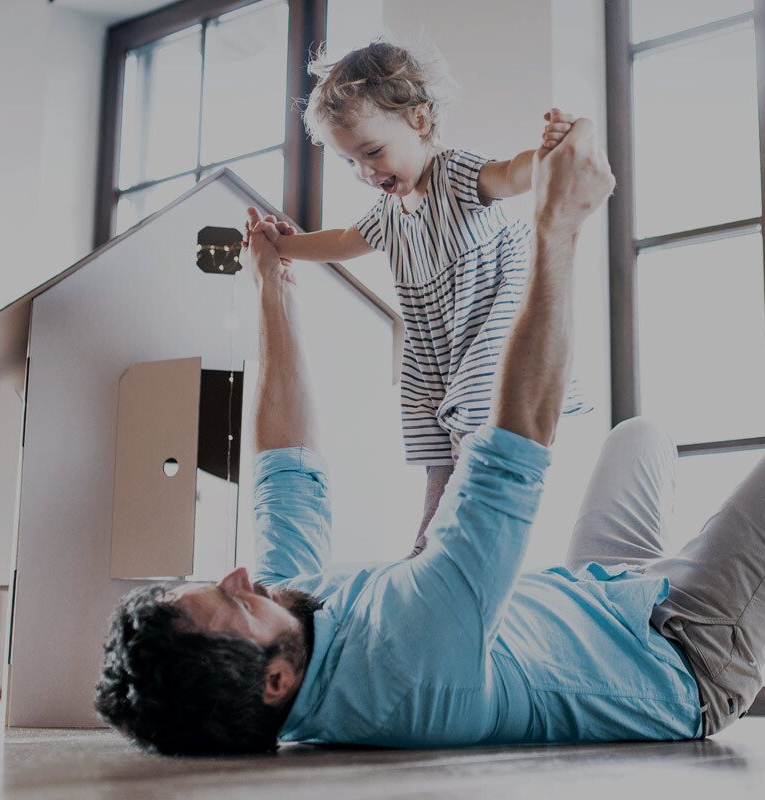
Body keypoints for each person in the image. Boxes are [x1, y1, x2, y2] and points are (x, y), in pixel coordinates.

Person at [96, 118, 765, 756]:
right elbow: (512, 441)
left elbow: (282, 461)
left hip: (576, 608)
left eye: (214, 579)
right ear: (274, 681)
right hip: (678, 653)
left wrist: (274, 282)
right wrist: (559, 229)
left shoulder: (292, 626)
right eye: (224, 602)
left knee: (642, 437)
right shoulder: (409, 650)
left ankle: (692, 558)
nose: (236, 574)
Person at [244, 40, 591, 557]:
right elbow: (340, 241)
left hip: (492, 324)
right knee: (433, 435)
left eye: (372, 152)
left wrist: (546, 158)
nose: (365, 173)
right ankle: (427, 541)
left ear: (420, 120)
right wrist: (282, 246)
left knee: (472, 413)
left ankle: (472, 527)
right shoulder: (390, 214)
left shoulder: (455, 176)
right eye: (349, 162)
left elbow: (510, 174)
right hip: (437, 346)